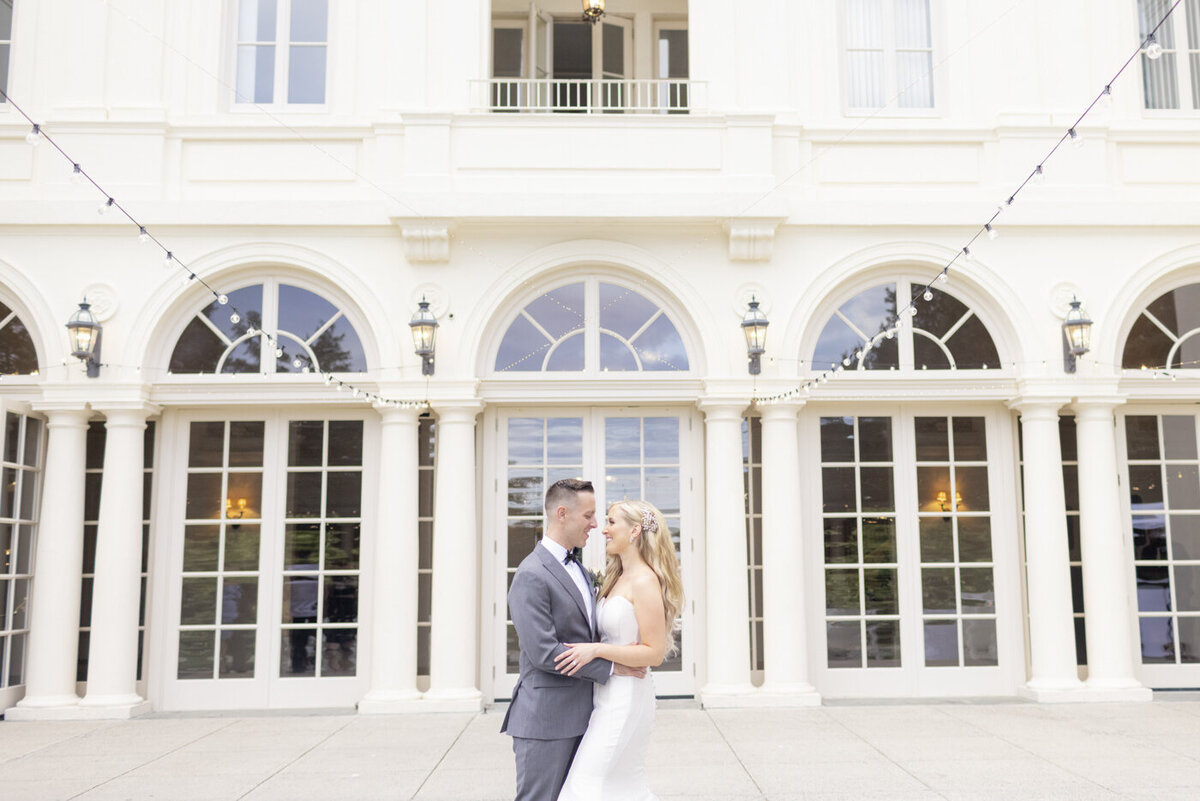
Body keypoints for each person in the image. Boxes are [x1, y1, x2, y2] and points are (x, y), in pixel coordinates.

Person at [502, 478, 647, 801]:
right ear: (563, 513)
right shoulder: (531, 574)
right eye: (588, 516)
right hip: (547, 719)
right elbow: (543, 652)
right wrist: (612, 668)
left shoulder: (580, 570)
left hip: (590, 714)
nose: (595, 524)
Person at [554, 499, 684, 801]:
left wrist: (596, 650)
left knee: (582, 787)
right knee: (623, 787)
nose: (604, 530)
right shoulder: (616, 577)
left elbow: (654, 652)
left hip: (626, 697)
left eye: (612, 522)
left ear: (636, 530)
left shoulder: (645, 581)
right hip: (606, 693)